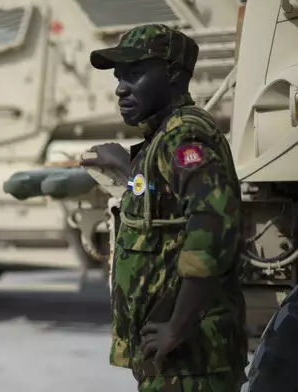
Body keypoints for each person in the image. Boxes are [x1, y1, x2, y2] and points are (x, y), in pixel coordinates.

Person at [80, 24, 248, 391]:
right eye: (119, 76)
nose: (121, 87)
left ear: (173, 73)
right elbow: (164, 201)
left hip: (194, 363)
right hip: (178, 364)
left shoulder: (185, 136)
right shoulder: (164, 136)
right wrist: (128, 167)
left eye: (135, 74)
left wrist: (177, 327)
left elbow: (212, 232)